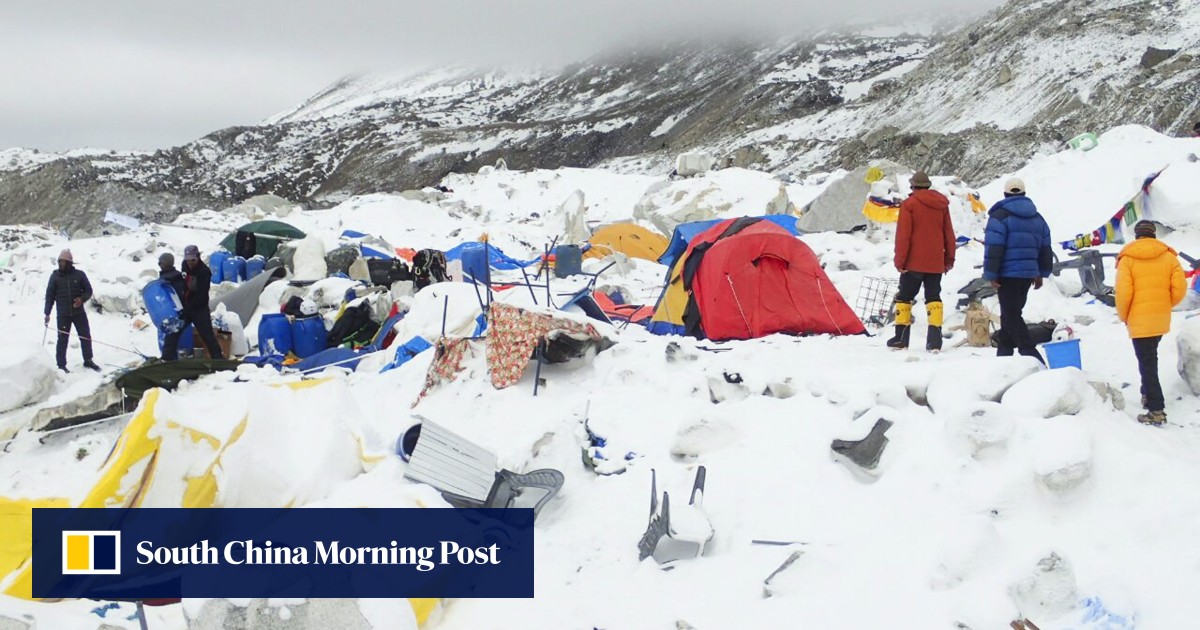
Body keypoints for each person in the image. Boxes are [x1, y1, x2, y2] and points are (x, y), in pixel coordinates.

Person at [1115, 220, 1186, 425]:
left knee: (1147, 363)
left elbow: (1123, 294)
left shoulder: (1127, 259)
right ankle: (1147, 394)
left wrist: (1125, 316)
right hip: (1160, 317)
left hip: (1138, 319)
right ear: (1154, 234)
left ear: (1136, 235)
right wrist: (1165, 304)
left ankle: (1156, 409)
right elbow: (1180, 288)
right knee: (1149, 357)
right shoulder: (1169, 257)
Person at [983, 177, 1053, 365]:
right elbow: (1046, 247)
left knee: (1012, 316)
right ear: (1024, 193)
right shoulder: (1037, 218)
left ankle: (1032, 355)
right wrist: (1041, 272)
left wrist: (991, 274)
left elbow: (994, 247)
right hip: (1028, 275)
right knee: (1009, 316)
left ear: (1005, 194)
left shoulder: (1000, 216)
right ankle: (1003, 361)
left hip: (1007, 275)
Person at [888, 171, 956, 351]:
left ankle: (900, 339)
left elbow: (904, 236)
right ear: (928, 185)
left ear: (913, 186)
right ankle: (934, 342)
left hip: (913, 262)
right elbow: (948, 234)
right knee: (933, 298)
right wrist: (949, 259)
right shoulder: (941, 205)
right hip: (935, 262)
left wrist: (900, 261)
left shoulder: (909, 204)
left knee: (904, 298)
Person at [162, 245, 224, 361]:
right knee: (173, 332)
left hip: (199, 308)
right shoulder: (184, 265)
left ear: (198, 257)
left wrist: (188, 309)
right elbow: (183, 283)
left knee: (207, 335)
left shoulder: (204, 272)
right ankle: (167, 358)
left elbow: (201, 295)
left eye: (192, 260)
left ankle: (218, 359)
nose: (190, 262)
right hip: (186, 306)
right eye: (187, 260)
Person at [43, 249, 100, 373]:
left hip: (78, 313)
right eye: (59, 262)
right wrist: (47, 313)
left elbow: (88, 291)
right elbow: (49, 296)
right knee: (62, 339)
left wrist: (82, 299)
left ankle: (88, 360)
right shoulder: (54, 277)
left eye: (63, 262)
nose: (61, 264)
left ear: (70, 263)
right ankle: (61, 365)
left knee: (85, 336)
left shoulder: (80, 275)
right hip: (63, 314)